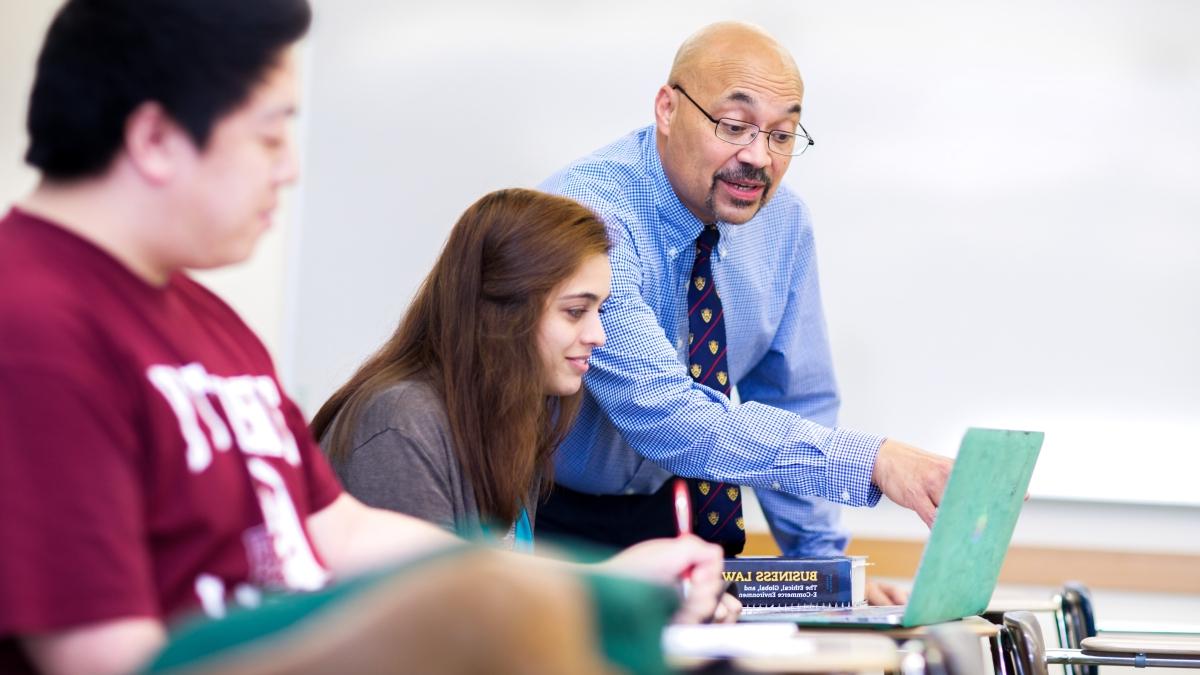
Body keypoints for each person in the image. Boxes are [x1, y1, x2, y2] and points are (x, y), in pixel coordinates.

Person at [0, 2, 724, 673]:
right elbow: (108, 659)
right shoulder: (33, 325)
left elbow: (338, 533)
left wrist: (590, 582)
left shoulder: (210, 323)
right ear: (156, 139)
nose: (289, 168)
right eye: (270, 133)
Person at [536, 21, 953, 604]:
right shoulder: (590, 217)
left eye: (782, 135)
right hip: (551, 527)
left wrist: (827, 576)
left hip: (680, 521)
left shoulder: (784, 225)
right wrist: (875, 462)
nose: (757, 158)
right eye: (734, 127)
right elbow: (665, 413)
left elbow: (792, 398)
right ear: (666, 108)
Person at [311, 187, 740, 621]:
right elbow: (433, 629)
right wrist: (610, 591)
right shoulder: (401, 425)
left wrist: (649, 606)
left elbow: (511, 601)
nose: (598, 335)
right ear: (503, 312)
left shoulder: (514, 416)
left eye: (600, 311)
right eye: (575, 312)